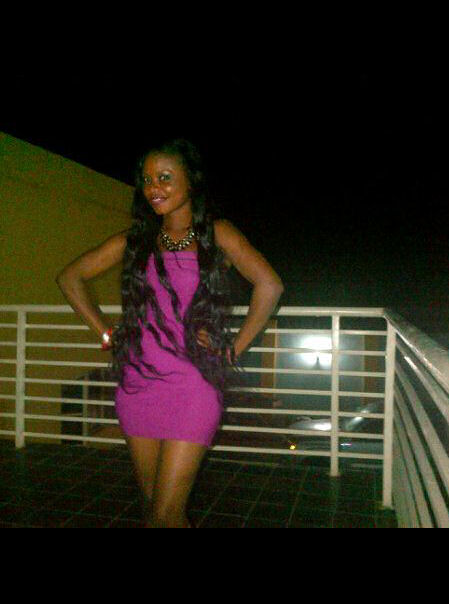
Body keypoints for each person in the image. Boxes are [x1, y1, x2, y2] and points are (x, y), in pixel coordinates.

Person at [56, 139, 284, 528]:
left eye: (164, 177)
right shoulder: (136, 240)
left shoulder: (217, 233)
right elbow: (70, 277)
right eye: (147, 180)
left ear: (190, 182)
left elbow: (270, 285)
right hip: (138, 383)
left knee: (168, 512)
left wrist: (233, 349)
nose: (153, 188)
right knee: (152, 509)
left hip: (193, 385)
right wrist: (107, 334)